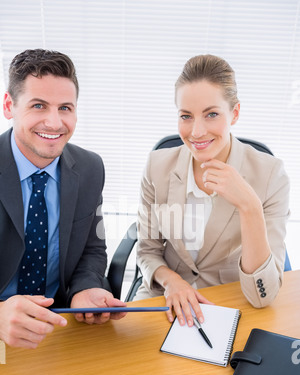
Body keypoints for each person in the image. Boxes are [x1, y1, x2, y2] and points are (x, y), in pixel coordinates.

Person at [135, 54, 290, 328]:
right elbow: (147, 251)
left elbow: (263, 295)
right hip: (165, 299)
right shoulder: (156, 166)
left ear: (235, 113)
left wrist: (249, 206)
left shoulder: (270, 176)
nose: (196, 131)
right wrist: (174, 282)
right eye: (186, 116)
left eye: (212, 114)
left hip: (228, 303)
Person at [0, 49, 126, 349]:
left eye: (65, 108)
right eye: (39, 105)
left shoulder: (90, 168)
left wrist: (85, 288)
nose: (55, 123)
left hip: (61, 324)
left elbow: (92, 249)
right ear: (9, 106)